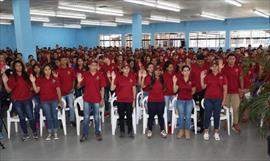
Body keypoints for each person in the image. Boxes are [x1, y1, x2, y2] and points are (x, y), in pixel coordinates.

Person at [2, 60, 38, 141]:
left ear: (22, 66)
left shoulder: (27, 75)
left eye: (20, 65)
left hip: (27, 99)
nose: (19, 67)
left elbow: (32, 88)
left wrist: (33, 82)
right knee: (21, 118)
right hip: (17, 101)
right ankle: (25, 134)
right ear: (14, 68)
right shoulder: (12, 77)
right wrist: (5, 82)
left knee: (31, 117)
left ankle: (35, 132)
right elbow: (8, 91)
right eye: (17, 66)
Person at [30, 64, 62, 141]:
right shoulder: (40, 80)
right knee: (48, 116)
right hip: (44, 101)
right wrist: (33, 82)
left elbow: (58, 90)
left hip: (54, 100)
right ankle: (50, 132)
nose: (47, 71)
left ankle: (55, 132)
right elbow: (36, 91)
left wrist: (60, 101)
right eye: (45, 70)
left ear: (51, 70)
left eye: (49, 69)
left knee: (54, 116)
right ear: (43, 71)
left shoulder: (55, 79)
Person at [77, 60, 106, 142]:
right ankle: (84, 134)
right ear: (89, 66)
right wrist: (79, 82)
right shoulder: (85, 75)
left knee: (97, 117)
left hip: (96, 99)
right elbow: (78, 87)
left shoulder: (100, 75)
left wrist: (102, 99)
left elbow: (102, 88)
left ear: (97, 66)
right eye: (92, 65)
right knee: (86, 117)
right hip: (87, 99)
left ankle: (97, 133)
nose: (93, 67)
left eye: (95, 65)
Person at [201, 61, 227, 141]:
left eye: (216, 66)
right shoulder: (208, 76)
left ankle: (216, 132)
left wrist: (224, 100)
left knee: (217, 115)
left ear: (218, 67)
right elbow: (203, 87)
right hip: (208, 98)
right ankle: (206, 132)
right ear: (211, 68)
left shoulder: (222, 76)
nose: (215, 68)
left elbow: (225, 90)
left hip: (218, 99)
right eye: (213, 66)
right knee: (207, 115)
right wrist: (201, 78)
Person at [110, 64, 136, 138]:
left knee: (129, 116)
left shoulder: (132, 77)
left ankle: (130, 131)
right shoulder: (118, 77)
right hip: (120, 100)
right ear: (122, 70)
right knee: (121, 116)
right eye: (125, 68)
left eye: (128, 68)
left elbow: (134, 89)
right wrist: (113, 79)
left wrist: (134, 100)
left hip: (129, 100)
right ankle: (122, 131)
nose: (126, 70)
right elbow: (112, 89)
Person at [141, 65, 167, 138]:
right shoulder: (149, 78)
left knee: (160, 116)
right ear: (154, 71)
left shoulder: (162, 79)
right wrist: (143, 77)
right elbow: (142, 86)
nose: (157, 72)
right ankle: (149, 130)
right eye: (156, 70)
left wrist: (160, 92)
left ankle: (162, 130)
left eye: (159, 70)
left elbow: (165, 88)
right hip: (151, 100)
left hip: (161, 100)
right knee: (151, 116)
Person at [222, 53, 244, 133]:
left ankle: (235, 123)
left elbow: (241, 78)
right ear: (227, 60)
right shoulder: (224, 68)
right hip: (226, 92)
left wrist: (241, 90)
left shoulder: (238, 68)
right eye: (230, 59)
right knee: (226, 107)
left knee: (236, 108)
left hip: (235, 92)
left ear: (235, 60)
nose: (231, 60)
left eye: (233, 59)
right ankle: (226, 122)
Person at [173, 65, 196, 139]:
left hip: (189, 101)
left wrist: (187, 94)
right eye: (184, 70)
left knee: (188, 116)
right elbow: (175, 91)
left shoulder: (192, 80)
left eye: (187, 70)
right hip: (180, 100)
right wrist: (174, 82)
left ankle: (187, 131)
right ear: (182, 72)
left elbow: (193, 91)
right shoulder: (179, 80)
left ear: (189, 71)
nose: (186, 72)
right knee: (181, 116)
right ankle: (181, 131)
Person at [56, 56, 76, 126]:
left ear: (66, 61)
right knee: (61, 106)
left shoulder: (70, 70)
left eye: (64, 60)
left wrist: (73, 88)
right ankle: (62, 120)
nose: (63, 62)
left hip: (69, 92)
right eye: (62, 60)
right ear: (60, 62)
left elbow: (73, 79)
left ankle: (72, 120)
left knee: (71, 106)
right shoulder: (58, 71)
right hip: (61, 93)